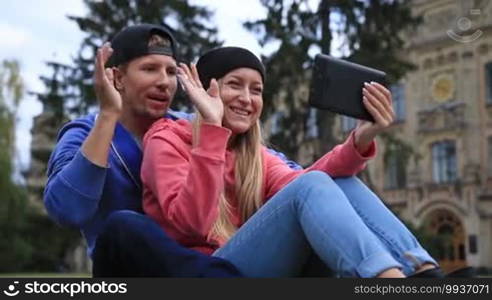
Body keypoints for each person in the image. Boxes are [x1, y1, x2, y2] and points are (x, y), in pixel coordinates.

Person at [140, 46, 468, 278]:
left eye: (256, 90)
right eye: (234, 85)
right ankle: (386, 279)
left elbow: (311, 188)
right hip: (203, 273)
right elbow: (192, 223)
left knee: (341, 182)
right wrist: (211, 130)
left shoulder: (253, 156)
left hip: (250, 266)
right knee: (315, 184)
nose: (247, 98)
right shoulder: (166, 139)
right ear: (204, 90)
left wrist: (360, 140)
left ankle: (423, 272)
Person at [43, 24, 304, 277]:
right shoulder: (84, 132)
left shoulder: (187, 127)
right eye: (149, 69)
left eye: (170, 72)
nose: (164, 82)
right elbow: (67, 210)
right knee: (125, 224)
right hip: (128, 266)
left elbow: (272, 164)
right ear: (118, 78)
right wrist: (108, 115)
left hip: (196, 261)